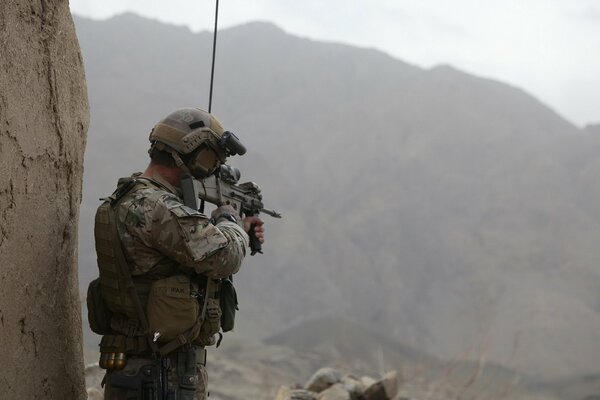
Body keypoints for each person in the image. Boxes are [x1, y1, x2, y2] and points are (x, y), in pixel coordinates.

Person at [92, 108, 264, 400]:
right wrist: (229, 220)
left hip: (141, 368)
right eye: (212, 158)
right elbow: (227, 256)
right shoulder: (157, 207)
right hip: (162, 372)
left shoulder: (132, 197)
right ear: (197, 155)